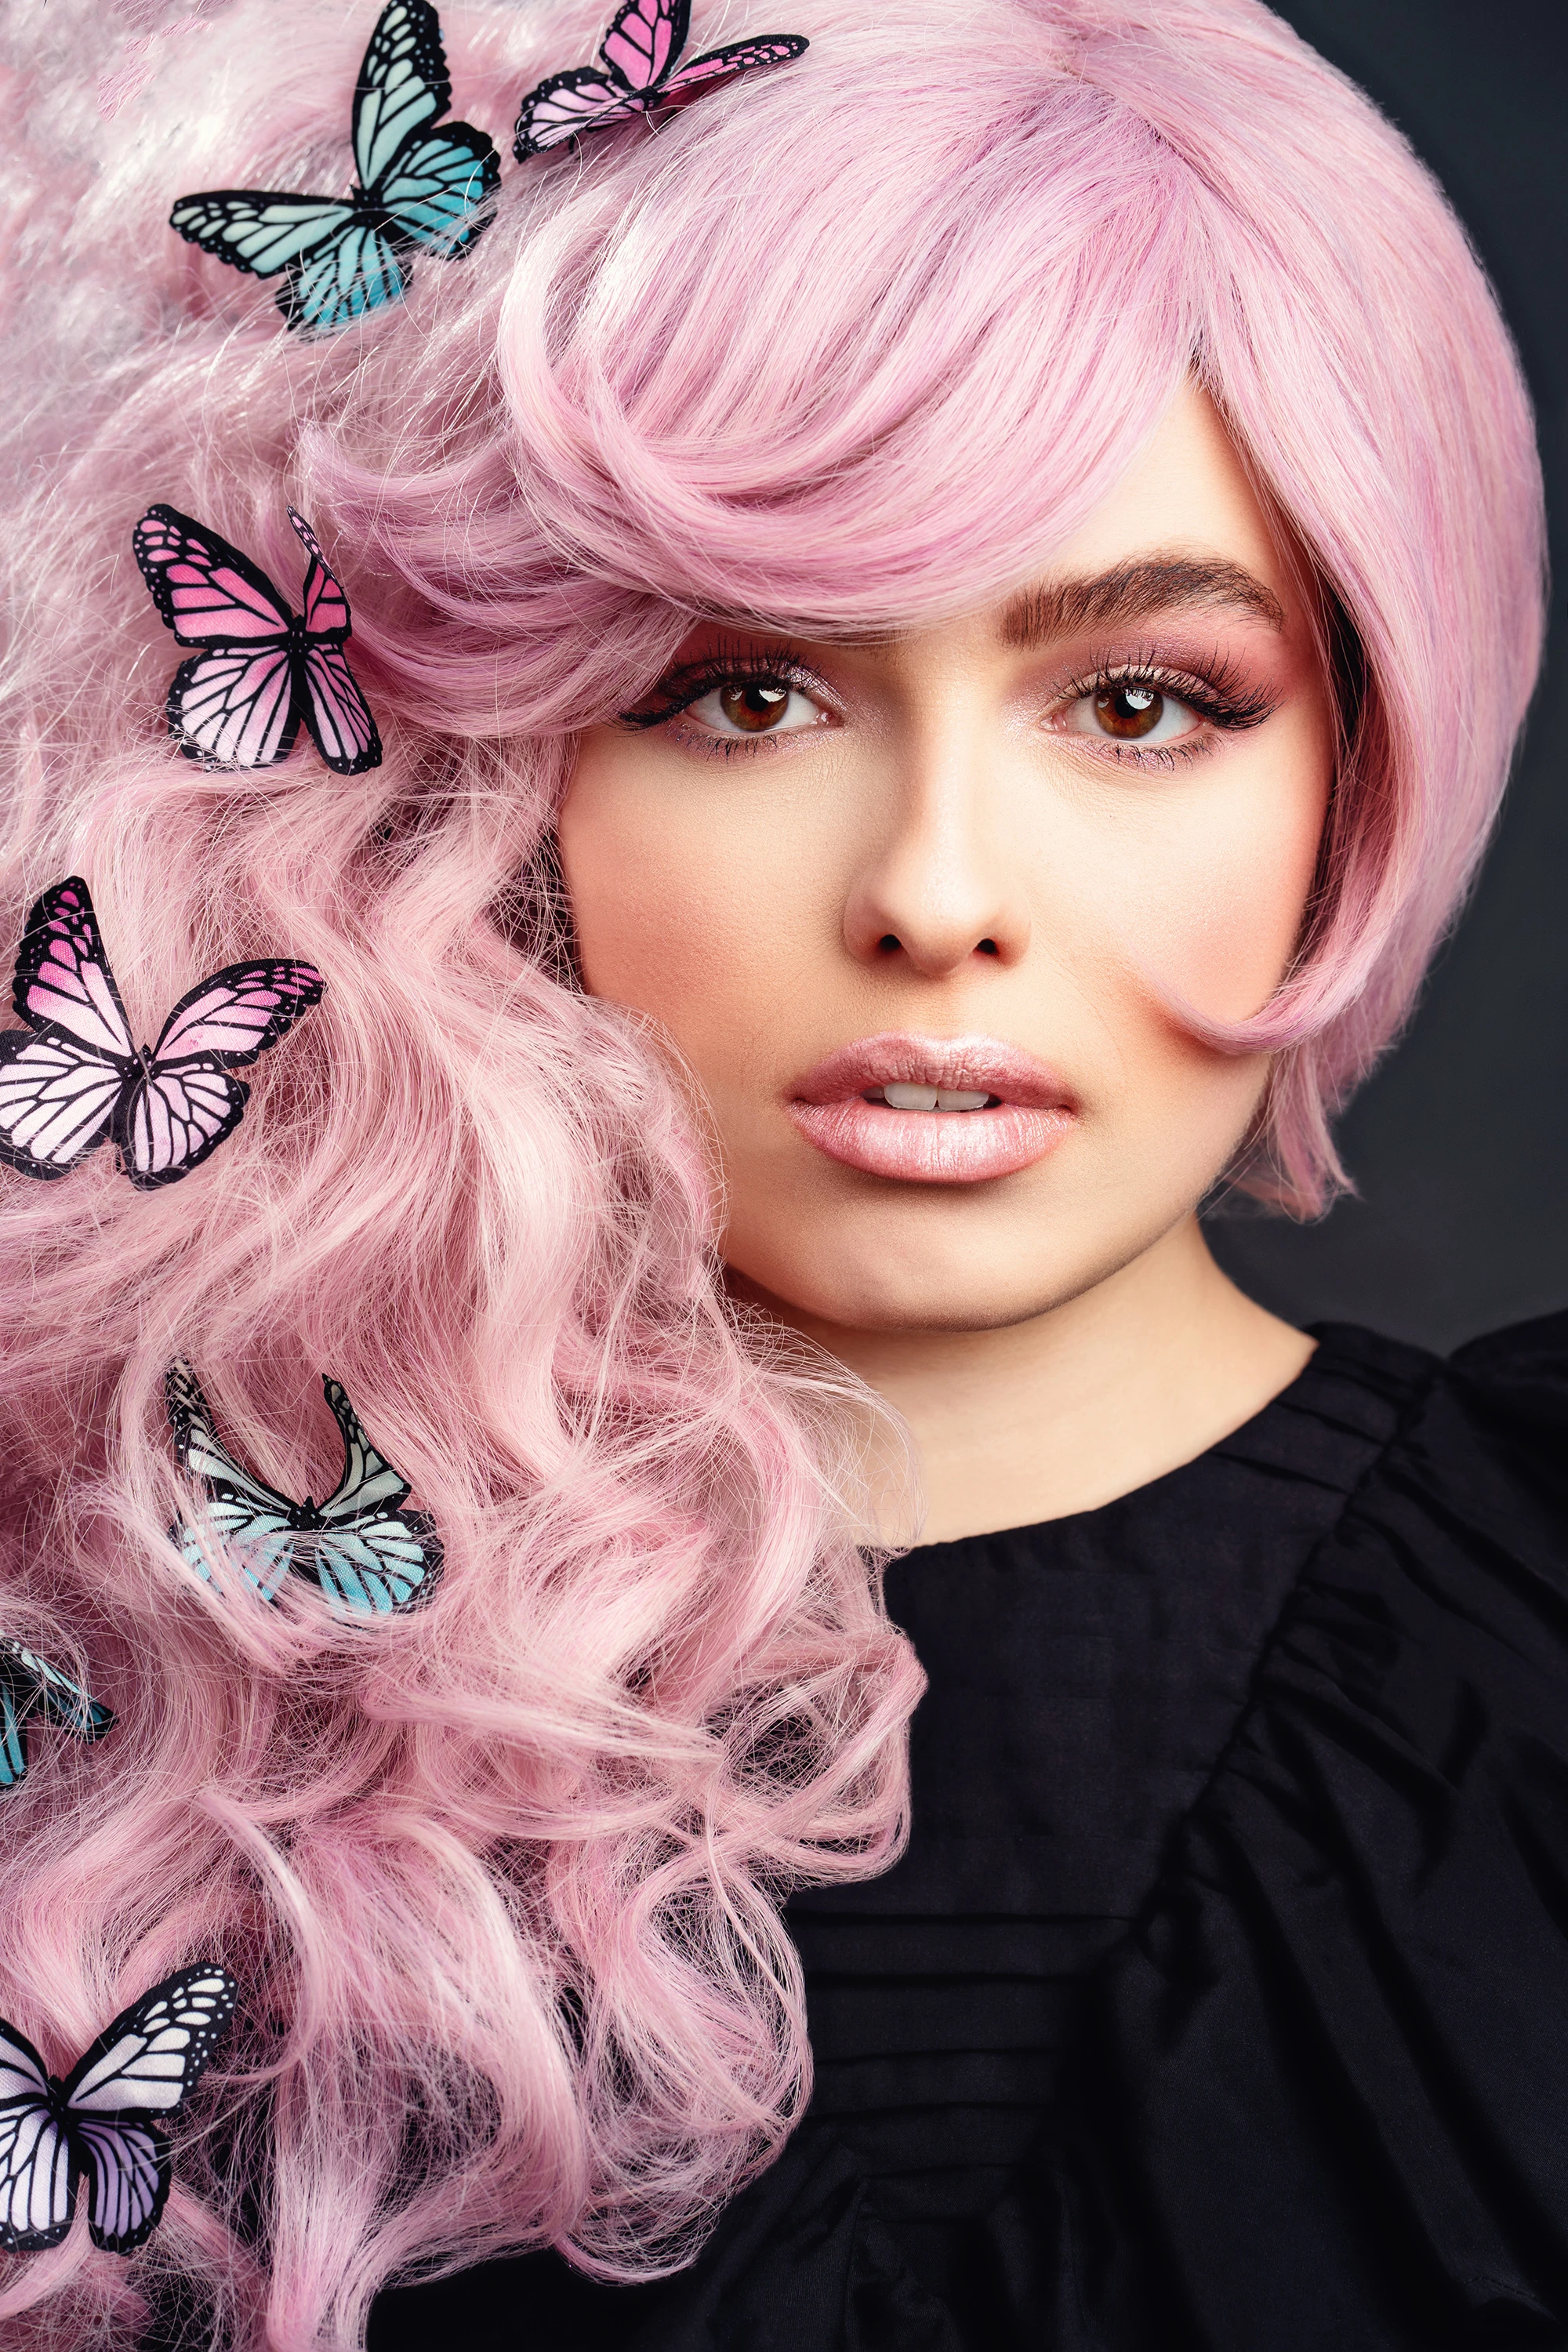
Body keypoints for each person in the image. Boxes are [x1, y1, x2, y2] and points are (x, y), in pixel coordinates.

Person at [0, 0, 1561, 2346]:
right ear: (481, 776)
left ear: (1362, 765)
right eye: (744, 691)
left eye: (1141, 701)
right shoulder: (135, 1706)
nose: (937, 894)